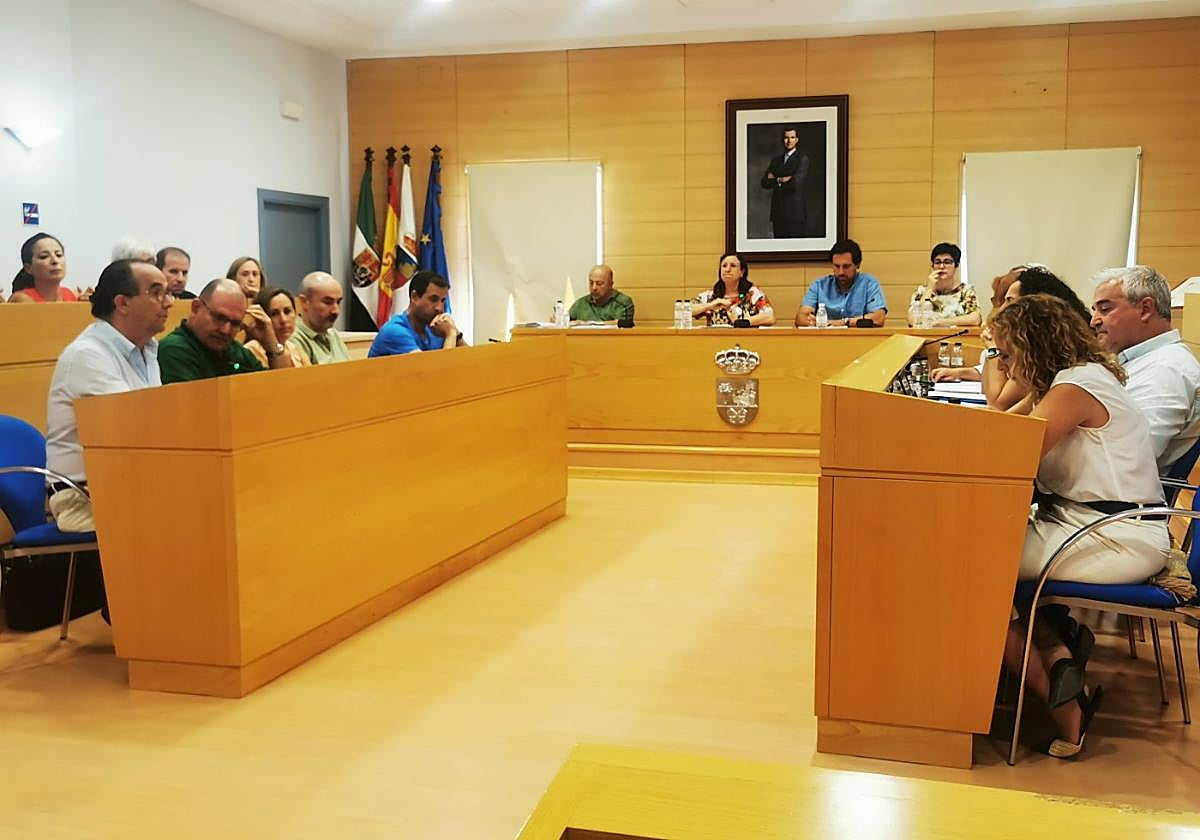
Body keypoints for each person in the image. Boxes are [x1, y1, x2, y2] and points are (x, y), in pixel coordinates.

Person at [992, 294, 1168, 758]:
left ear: (1032, 347)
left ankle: (1064, 705)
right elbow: (997, 428)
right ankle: (1056, 649)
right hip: (1092, 523)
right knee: (977, 555)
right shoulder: (1068, 381)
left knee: (974, 570)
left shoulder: (1074, 387)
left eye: (1007, 354)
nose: (1004, 366)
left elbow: (1005, 455)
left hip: (1116, 534)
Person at [45, 260, 173, 532]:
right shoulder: (88, 355)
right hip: (82, 499)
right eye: (156, 292)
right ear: (122, 303)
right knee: (191, 513)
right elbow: (140, 428)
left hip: (128, 485)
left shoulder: (147, 350)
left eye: (168, 293)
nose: (169, 302)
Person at [1091, 265, 1200, 473]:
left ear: (1145, 309)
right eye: (1094, 311)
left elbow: (1128, 458)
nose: (1094, 321)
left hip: (1111, 490)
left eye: (1105, 309)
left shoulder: (1168, 370)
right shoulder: (1143, 361)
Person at [158, 278, 291, 382]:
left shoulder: (235, 350)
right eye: (219, 318)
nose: (225, 330)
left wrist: (272, 346)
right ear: (196, 308)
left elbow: (282, 390)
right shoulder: (174, 350)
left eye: (235, 323)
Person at [368, 270, 466, 355]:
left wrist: (456, 334)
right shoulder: (394, 331)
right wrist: (450, 334)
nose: (440, 308)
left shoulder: (436, 327)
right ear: (414, 297)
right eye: (433, 299)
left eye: (443, 301)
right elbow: (432, 370)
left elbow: (471, 361)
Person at [794, 239, 886, 327]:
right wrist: (812, 321)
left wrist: (844, 322)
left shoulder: (869, 284)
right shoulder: (819, 286)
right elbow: (801, 318)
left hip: (858, 337)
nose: (841, 272)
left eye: (846, 266)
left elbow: (878, 318)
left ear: (858, 265)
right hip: (825, 337)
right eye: (837, 266)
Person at [690, 253, 775, 327]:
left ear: (742, 272)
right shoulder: (711, 295)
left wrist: (742, 322)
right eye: (724, 266)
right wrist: (710, 305)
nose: (727, 270)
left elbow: (770, 317)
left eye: (733, 266)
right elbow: (686, 310)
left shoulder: (752, 293)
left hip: (745, 338)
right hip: (716, 338)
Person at [907, 243, 980, 327]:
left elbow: (975, 319)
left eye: (947, 262)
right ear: (932, 266)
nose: (941, 266)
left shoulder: (966, 291)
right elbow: (912, 319)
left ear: (956, 265)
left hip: (957, 335)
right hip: (927, 335)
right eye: (937, 262)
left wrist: (940, 322)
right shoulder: (922, 291)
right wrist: (929, 289)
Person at [290, 271, 352, 364]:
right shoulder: (293, 339)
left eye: (338, 302)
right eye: (327, 302)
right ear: (304, 302)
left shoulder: (333, 334)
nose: (336, 311)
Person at [759, 126, 809, 238]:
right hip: (778, 213)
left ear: (797, 140)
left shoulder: (802, 159)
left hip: (795, 214)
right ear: (783, 140)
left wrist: (775, 179)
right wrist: (781, 179)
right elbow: (764, 182)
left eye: (792, 137)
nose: (789, 141)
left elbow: (795, 184)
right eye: (786, 138)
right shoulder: (776, 161)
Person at [243, 286, 310, 369]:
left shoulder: (294, 348)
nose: (283, 320)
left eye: (287, 311)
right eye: (274, 314)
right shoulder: (251, 350)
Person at [8, 233, 83, 303]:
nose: (55, 260)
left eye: (59, 255)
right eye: (44, 256)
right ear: (28, 268)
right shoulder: (21, 298)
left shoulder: (69, 294)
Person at [568, 264, 634, 324]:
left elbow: (623, 325)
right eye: (591, 283)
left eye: (599, 283)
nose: (594, 287)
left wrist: (587, 324)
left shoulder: (623, 302)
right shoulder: (580, 304)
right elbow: (565, 324)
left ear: (610, 284)